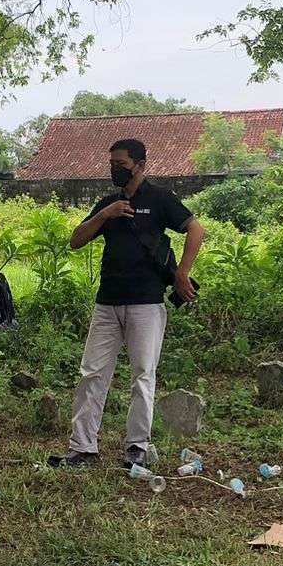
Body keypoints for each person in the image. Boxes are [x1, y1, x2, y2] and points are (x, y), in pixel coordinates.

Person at [48, 139, 206, 470]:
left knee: (142, 375)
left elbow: (195, 229)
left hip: (146, 303)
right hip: (107, 302)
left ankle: (137, 445)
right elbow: (76, 240)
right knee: (92, 373)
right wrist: (106, 214)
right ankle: (82, 447)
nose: (114, 168)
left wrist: (182, 274)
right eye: (112, 163)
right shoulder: (109, 203)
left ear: (140, 164)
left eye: (121, 163)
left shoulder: (160, 198)